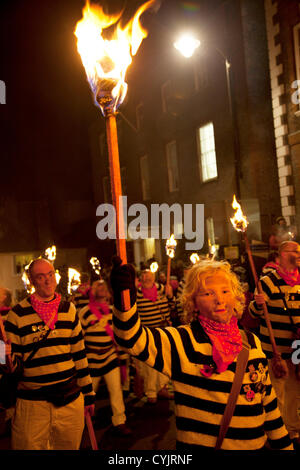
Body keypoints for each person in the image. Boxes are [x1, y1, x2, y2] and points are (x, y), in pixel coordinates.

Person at [110, 257, 293, 450]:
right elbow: (130, 338)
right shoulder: (180, 341)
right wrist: (125, 300)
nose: (220, 299)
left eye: (225, 291)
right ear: (193, 302)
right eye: (208, 293)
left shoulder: (252, 342)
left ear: (236, 296)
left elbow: (270, 406)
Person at [4, 258, 95, 450]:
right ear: (31, 281)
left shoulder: (68, 310)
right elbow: (13, 366)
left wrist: (88, 393)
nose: (47, 280)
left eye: (50, 274)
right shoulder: (17, 314)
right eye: (40, 276)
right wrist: (2, 354)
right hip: (33, 405)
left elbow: (79, 354)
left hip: (69, 401)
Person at [249, 240, 300, 447]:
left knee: (295, 392)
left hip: (297, 348)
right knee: (277, 393)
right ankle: (276, 433)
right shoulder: (267, 281)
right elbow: (252, 313)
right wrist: (257, 304)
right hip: (274, 350)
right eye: (293, 250)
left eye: (299, 250)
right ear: (280, 255)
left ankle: (293, 429)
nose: (297, 253)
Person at [78, 279, 132, 436]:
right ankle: (81, 424)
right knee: (88, 394)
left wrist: (122, 358)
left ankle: (119, 421)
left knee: (116, 391)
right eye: (97, 286)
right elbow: (79, 339)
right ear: (92, 291)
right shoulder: (85, 312)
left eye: (103, 286)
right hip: (91, 360)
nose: (101, 288)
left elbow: (117, 337)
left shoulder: (112, 311)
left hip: (109, 357)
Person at [135, 269, 174, 404]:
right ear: (140, 279)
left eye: (149, 275)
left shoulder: (163, 289)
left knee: (164, 360)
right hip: (147, 331)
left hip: (163, 329)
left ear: (154, 277)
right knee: (151, 362)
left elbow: (172, 305)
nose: (147, 278)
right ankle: (151, 391)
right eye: (144, 276)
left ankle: (162, 387)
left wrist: (170, 296)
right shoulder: (136, 294)